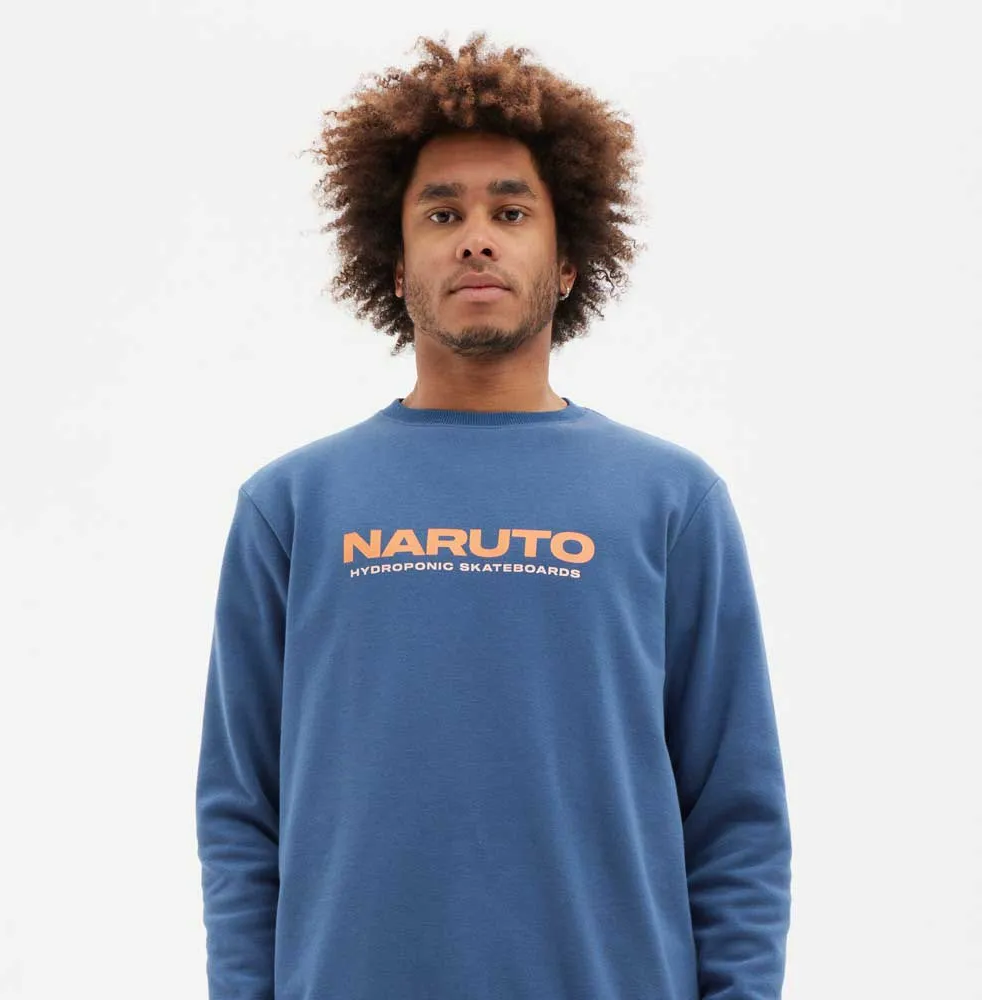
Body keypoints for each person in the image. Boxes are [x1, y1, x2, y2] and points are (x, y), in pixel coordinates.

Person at [195, 31, 792, 1000]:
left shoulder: (672, 501)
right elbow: (239, 813)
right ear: (395, 267)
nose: (476, 237)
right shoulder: (291, 506)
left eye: (510, 211)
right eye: (443, 213)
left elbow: (736, 815)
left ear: (568, 262)